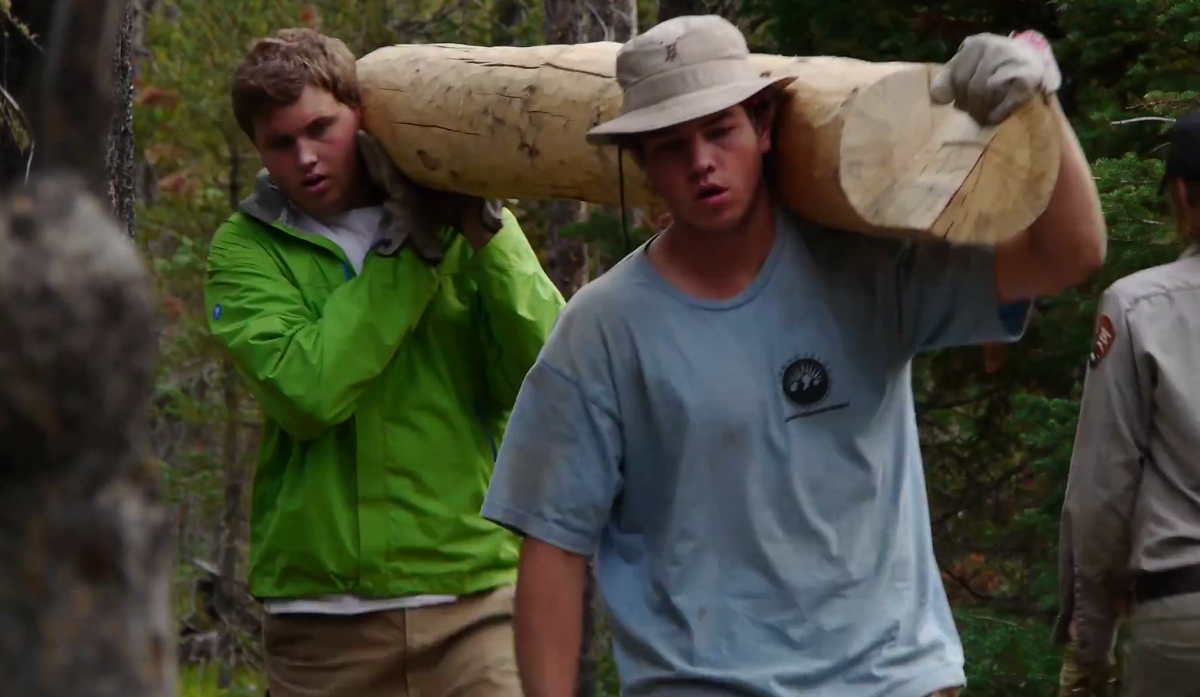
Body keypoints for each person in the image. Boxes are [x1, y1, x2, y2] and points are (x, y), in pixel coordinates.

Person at [481, 14, 1107, 697]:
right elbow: (553, 545)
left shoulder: (868, 269)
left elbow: (1070, 253)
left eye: (720, 132)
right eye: (671, 146)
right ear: (645, 166)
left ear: (765, 128)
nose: (700, 163)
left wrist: (1037, 102)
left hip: (893, 680)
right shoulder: (601, 329)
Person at [203, 28, 565, 697]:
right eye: (281, 143)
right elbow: (310, 390)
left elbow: (546, 370)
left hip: (473, 603)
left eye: (321, 128)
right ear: (259, 150)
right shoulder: (245, 251)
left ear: (362, 115)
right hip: (320, 627)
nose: (306, 157)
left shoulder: (456, 214)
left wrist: (490, 228)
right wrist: (407, 256)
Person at [1059, 109, 1200, 697]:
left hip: (1182, 612)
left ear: (1184, 194)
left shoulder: (1140, 305)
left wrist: (1089, 643)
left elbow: (1104, 487)